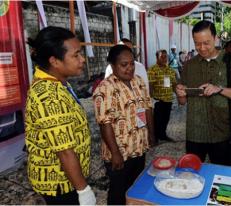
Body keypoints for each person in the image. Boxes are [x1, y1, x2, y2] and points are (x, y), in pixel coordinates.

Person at [25, 26, 96, 205]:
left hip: (67, 177)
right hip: (60, 182)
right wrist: (83, 190)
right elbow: (64, 151)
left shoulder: (58, 83)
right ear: (54, 61)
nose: (83, 60)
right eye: (76, 55)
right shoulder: (49, 96)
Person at [175, 20, 231, 165]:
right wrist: (180, 93)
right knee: (192, 173)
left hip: (221, 132)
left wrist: (219, 89)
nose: (202, 48)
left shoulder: (230, 61)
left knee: (221, 175)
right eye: (197, 43)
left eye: (206, 43)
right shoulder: (189, 65)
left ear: (216, 38)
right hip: (195, 132)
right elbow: (182, 102)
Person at [93, 44, 155, 205]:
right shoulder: (105, 88)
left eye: (132, 63)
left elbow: (147, 107)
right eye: (124, 65)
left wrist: (151, 133)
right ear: (112, 66)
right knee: (118, 192)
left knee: (136, 188)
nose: (129, 68)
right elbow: (104, 123)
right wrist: (115, 153)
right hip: (119, 152)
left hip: (139, 146)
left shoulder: (139, 82)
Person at [148, 49, 176, 143]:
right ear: (157, 58)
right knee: (157, 120)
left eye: (166, 57)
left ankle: (163, 135)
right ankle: (155, 139)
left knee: (166, 119)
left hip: (168, 99)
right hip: (158, 100)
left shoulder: (170, 69)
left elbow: (174, 84)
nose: (164, 59)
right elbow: (150, 85)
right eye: (162, 57)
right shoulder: (152, 69)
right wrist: (151, 99)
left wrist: (179, 94)